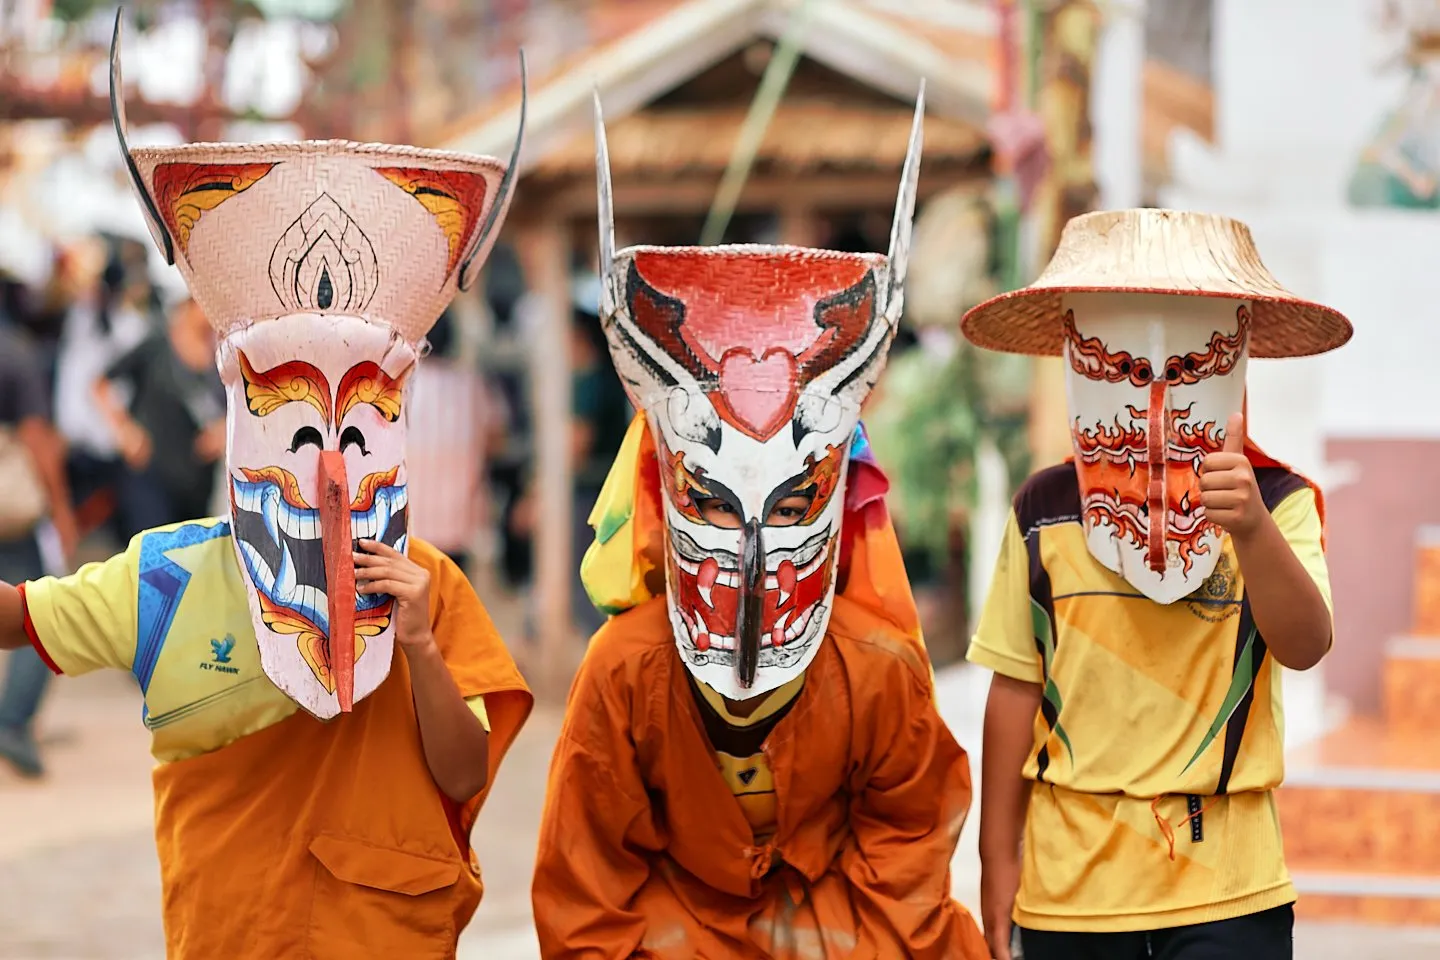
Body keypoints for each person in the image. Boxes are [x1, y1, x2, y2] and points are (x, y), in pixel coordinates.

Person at [0, 23, 531, 957]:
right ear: (243, 420)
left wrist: (418, 647)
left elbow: (464, 771)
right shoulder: (165, 579)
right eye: (296, 430)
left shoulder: (430, 584)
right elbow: (18, 618)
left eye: (359, 434)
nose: (330, 476)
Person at [531, 91, 989, 960]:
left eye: (786, 506)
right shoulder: (624, 672)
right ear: (667, 494)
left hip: (838, 932)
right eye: (709, 501)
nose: (749, 551)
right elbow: (584, 894)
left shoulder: (877, 670)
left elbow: (909, 848)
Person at [959, 209, 1353, 960]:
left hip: (1227, 885)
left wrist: (1251, 533)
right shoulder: (1042, 513)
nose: (1159, 397)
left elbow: (1306, 645)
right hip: (1070, 891)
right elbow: (1014, 688)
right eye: (1128, 363)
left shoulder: (1277, 503)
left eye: (1190, 365)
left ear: (1232, 362)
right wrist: (995, 863)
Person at [0, 307, 76, 778]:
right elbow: (35, 437)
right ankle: (12, 722)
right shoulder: (15, 356)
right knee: (37, 607)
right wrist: (61, 506)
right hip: (12, 513)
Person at [93, 295, 226, 536]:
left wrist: (223, 431)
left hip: (196, 478)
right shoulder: (158, 343)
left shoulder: (223, 353)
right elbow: (101, 384)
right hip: (152, 471)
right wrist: (124, 431)